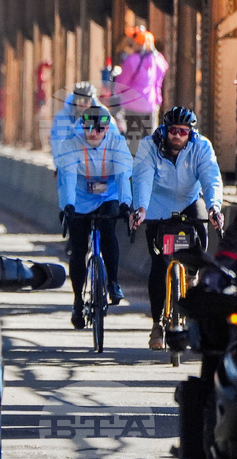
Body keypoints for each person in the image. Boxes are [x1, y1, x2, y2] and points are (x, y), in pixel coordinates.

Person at [131, 106, 225, 350]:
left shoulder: (201, 146)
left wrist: (215, 207)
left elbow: (210, 177)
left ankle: (192, 276)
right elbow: (142, 177)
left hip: (189, 201)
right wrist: (140, 208)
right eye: (172, 130)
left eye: (183, 132)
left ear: (190, 133)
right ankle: (156, 324)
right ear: (165, 129)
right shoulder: (149, 145)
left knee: (200, 231)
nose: (177, 136)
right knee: (159, 263)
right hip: (156, 205)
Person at [55, 105, 133, 330]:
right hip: (79, 197)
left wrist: (126, 204)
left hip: (108, 194)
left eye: (99, 128)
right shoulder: (71, 144)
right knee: (78, 249)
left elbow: (123, 176)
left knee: (108, 232)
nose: (93, 132)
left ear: (108, 128)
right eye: (88, 127)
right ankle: (78, 300)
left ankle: (113, 283)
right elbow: (67, 179)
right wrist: (67, 206)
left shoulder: (117, 144)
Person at [119, 29, 169, 150]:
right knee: (149, 141)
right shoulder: (157, 60)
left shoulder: (132, 61)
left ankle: (134, 164)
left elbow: (121, 83)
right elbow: (161, 74)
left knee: (132, 140)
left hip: (132, 107)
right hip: (150, 106)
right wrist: (158, 100)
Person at [48, 82, 120, 157]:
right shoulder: (64, 115)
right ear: (74, 101)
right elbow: (58, 141)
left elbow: (114, 137)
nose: (83, 104)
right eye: (79, 100)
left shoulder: (103, 114)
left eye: (86, 100)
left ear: (92, 101)